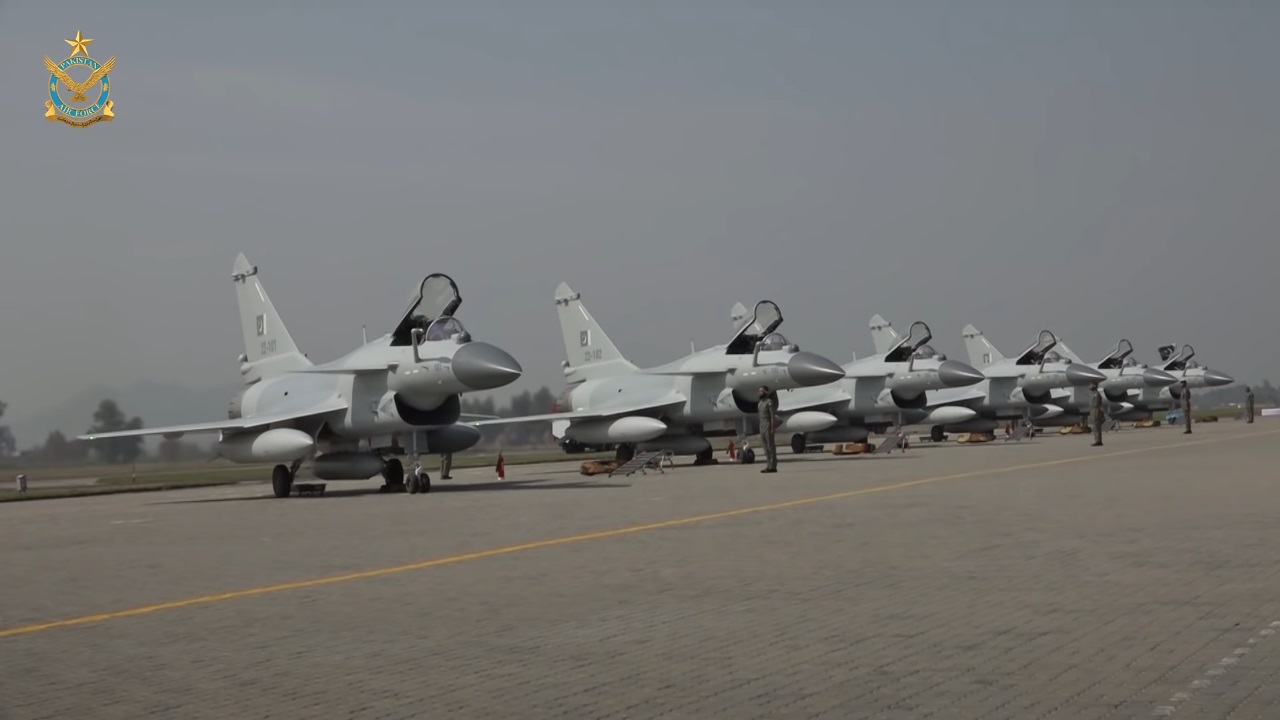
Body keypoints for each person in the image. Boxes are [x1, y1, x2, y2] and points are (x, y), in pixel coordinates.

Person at [757, 385, 778, 473]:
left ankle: (772, 466)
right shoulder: (760, 403)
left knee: (770, 446)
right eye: (759, 391)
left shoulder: (769, 402)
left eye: (761, 391)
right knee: (765, 447)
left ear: (766, 392)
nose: (759, 393)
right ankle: (768, 465)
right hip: (761, 426)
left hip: (768, 425)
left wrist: (773, 428)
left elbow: (772, 416)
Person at [1089, 382, 1105, 447]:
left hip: (1096, 411)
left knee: (1096, 427)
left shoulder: (1096, 394)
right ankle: (1097, 440)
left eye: (1090, 385)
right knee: (1095, 427)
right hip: (1094, 411)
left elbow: (1096, 404)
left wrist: (1098, 412)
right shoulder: (1094, 394)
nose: (1089, 387)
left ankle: (1098, 441)